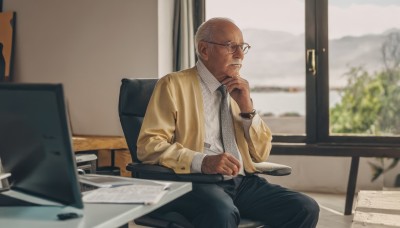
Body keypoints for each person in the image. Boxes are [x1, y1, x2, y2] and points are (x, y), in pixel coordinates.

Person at [137, 17, 319, 228]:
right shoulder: (172, 85)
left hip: (242, 183)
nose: (240, 55)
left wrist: (247, 108)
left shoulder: (238, 89)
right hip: (195, 182)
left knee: (305, 207)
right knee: (222, 213)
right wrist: (203, 161)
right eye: (231, 47)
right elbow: (148, 146)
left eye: (242, 47)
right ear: (204, 50)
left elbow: (261, 153)